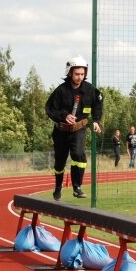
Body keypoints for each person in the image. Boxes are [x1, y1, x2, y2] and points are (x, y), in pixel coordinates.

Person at [45, 55, 103, 200]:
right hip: (61, 131)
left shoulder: (90, 90)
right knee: (60, 161)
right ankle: (58, 187)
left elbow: (98, 104)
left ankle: (77, 186)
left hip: (79, 130)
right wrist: (63, 116)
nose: (79, 77)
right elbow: (50, 109)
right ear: (70, 72)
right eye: (77, 74)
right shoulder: (60, 91)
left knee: (78, 155)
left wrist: (96, 121)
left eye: (82, 74)